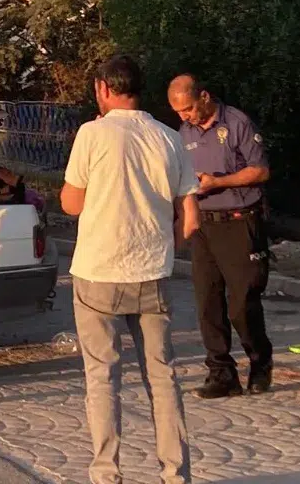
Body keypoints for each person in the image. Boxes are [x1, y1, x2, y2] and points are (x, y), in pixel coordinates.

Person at [61, 55, 198, 484]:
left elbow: (71, 204)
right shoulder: (170, 138)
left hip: (98, 272)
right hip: (151, 273)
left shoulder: (92, 134)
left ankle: (107, 474)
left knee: (102, 377)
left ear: (103, 89)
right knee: (163, 377)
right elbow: (190, 219)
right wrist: (164, 250)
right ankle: (175, 474)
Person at [168, 74, 273, 398]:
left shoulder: (237, 123)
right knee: (207, 304)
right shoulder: (183, 132)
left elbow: (260, 170)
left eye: (188, 109)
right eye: (179, 112)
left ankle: (260, 362)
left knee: (242, 303)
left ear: (204, 96)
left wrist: (218, 182)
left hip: (239, 222)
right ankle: (221, 373)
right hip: (204, 224)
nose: (185, 116)